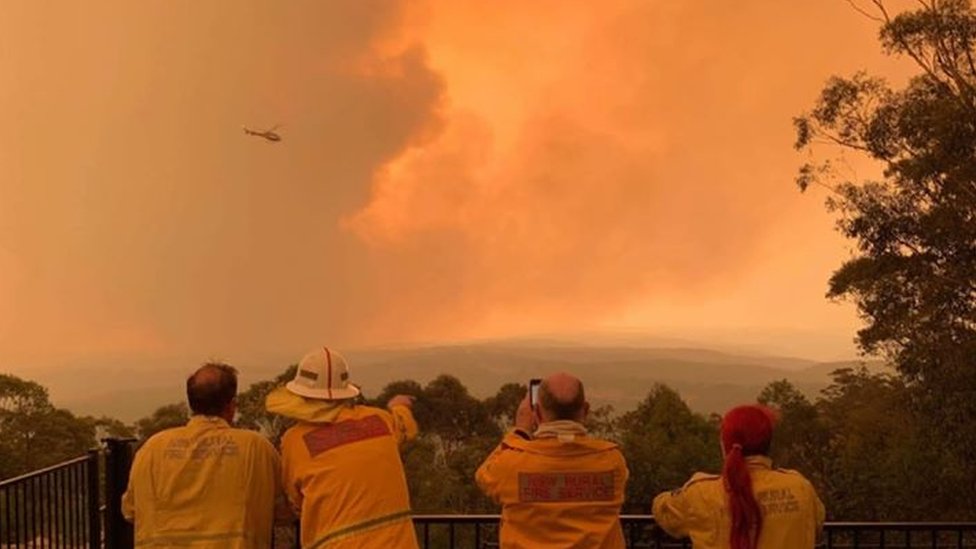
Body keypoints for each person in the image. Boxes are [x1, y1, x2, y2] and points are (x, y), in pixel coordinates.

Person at [266, 347, 419, 548]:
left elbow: (296, 502)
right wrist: (400, 406)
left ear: (301, 396)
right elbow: (405, 429)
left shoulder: (295, 441)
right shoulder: (379, 419)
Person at [122, 362, 284, 548]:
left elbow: (130, 510)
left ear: (191, 402)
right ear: (231, 406)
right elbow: (284, 509)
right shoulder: (256, 448)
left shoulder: (152, 448)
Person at [475, 372, 629, 548]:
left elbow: (483, 476)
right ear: (585, 410)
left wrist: (520, 431)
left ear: (537, 413)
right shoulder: (612, 461)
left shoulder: (511, 464)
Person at [652, 404, 825, 549]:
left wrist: (690, 486)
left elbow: (664, 511)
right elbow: (817, 522)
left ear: (725, 444)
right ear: (768, 443)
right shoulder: (800, 487)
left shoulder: (702, 493)